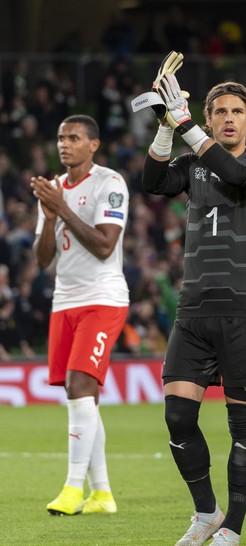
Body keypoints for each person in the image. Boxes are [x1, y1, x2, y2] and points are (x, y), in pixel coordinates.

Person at [142, 74, 246, 546]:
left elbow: (238, 176)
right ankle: (206, 512)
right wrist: (166, 126)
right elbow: (154, 181)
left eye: (236, 111)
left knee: (242, 425)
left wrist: (186, 124)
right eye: (219, 111)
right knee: (178, 417)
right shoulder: (193, 164)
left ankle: (234, 530)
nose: (228, 118)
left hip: (243, 308)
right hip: (194, 307)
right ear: (209, 118)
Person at [35, 114, 129, 517]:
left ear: (93, 144)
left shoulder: (110, 183)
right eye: (60, 137)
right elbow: (43, 260)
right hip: (65, 301)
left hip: (102, 298)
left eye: (73, 137)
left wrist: (64, 210)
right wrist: (51, 215)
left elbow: (106, 246)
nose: (64, 144)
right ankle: (102, 493)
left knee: (78, 387)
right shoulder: (54, 189)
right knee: (83, 398)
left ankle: (73, 488)